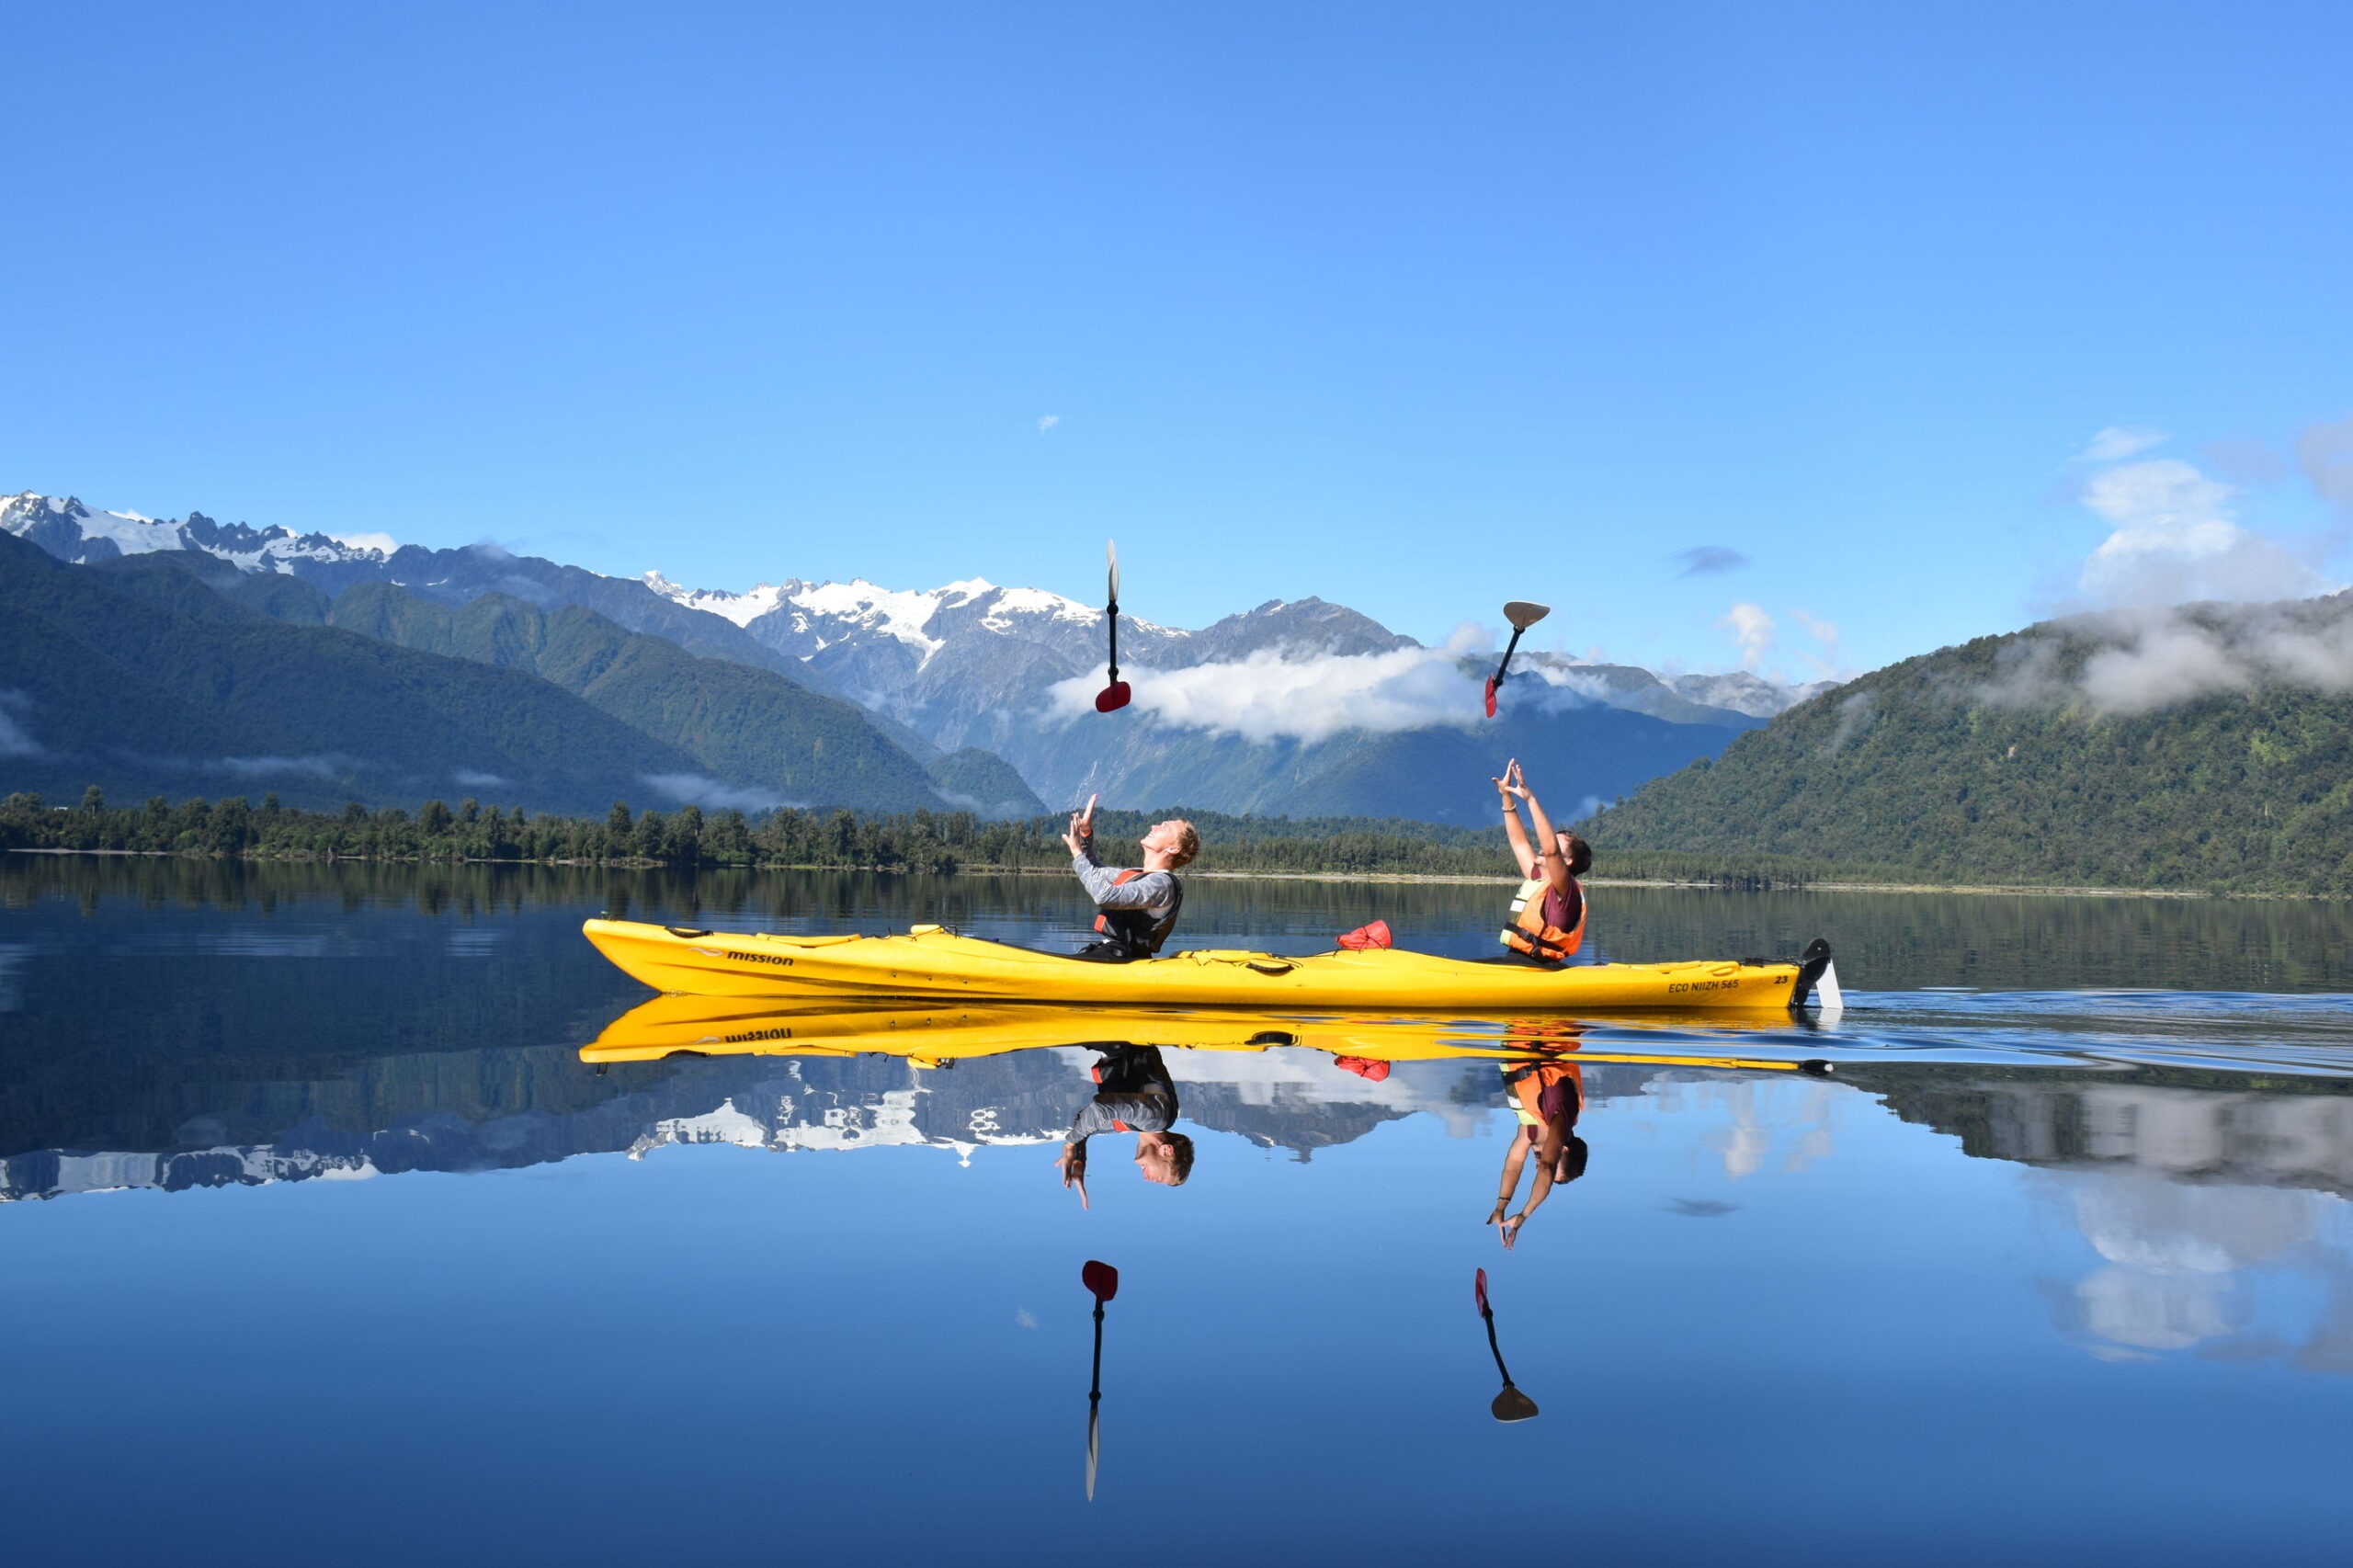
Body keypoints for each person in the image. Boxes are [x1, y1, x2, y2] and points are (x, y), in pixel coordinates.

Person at [1062, 794, 1199, 961]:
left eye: (1164, 827)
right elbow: (1094, 870)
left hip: (1125, 959)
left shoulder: (1162, 884)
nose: (1154, 826)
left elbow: (1104, 896)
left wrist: (1077, 853)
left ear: (1173, 848)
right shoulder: (1136, 875)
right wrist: (1086, 834)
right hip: (1110, 954)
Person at [1054, 1043, 1196, 1207]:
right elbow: (1100, 1109)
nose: (1146, 1178)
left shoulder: (1134, 1123)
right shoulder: (1158, 1118)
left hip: (1107, 1041)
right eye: (1158, 1178)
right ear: (1167, 1151)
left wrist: (1079, 1159)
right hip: (1121, 1038)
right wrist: (1071, 1144)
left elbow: (1085, 1117)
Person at [1486, 1037, 1589, 1249]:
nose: (1538, 1165)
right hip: (1539, 1033)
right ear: (1562, 1148)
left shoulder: (1532, 1130)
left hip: (1516, 1037)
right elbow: (1546, 1168)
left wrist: (1501, 1205)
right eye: (1547, 1159)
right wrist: (1524, 1214)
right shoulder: (1562, 1118)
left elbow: (1514, 1163)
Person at [1492, 758, 1590, 964]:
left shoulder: (1566, 891)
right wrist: (1506, 796)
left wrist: (1530, 799)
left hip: (1538, 966)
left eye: (1553, 842)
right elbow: (1519, 842)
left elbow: (1552, 851)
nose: (1543, 846)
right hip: (1516, 960)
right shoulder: (1538, 879)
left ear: (1568, 861)